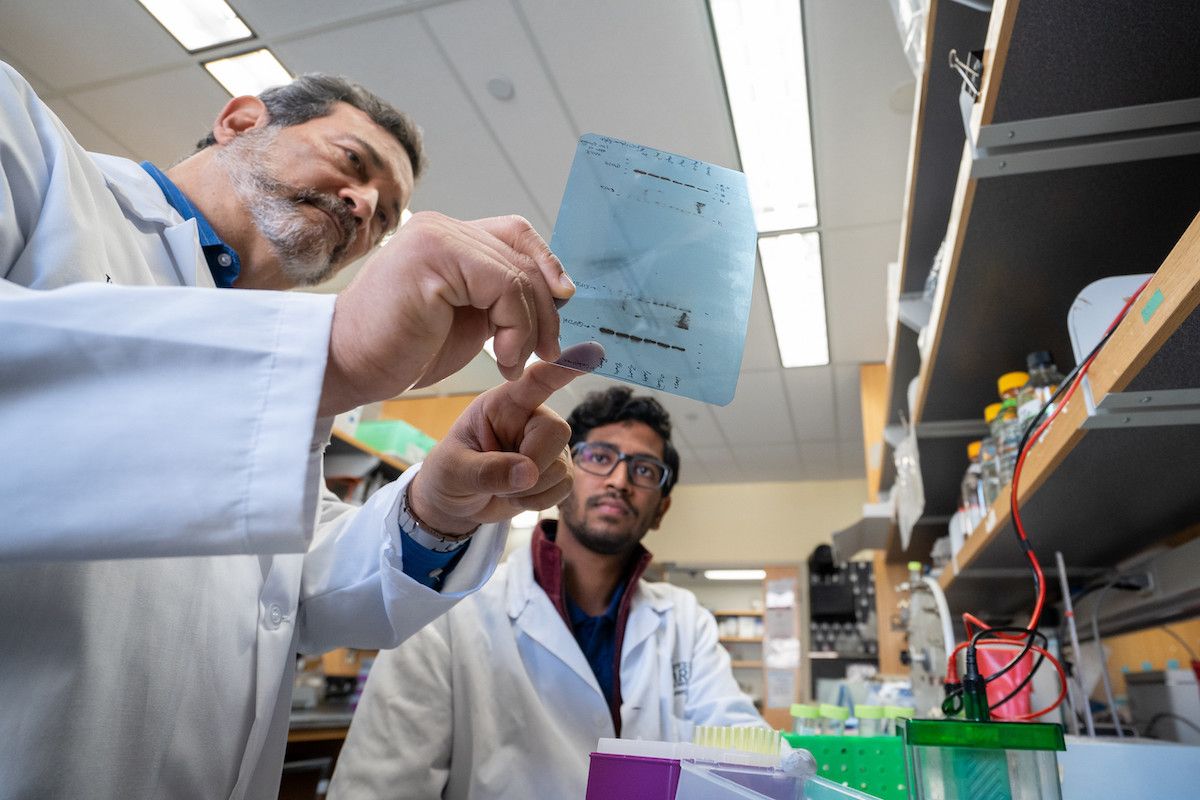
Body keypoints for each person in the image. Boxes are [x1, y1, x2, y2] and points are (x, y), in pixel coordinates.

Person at [0, 61, 590, 799]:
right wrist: (332, 356)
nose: (365, 206)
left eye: (385, 216)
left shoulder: (288, 387)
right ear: (241, 120)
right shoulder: (26, 145)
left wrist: (435, 511)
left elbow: (295, 593)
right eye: (353, 162)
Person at [328, 386, 769, 800]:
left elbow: (742, 747)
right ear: (561, 480)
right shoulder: (449, 605)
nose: (619, 480)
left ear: (661, 509)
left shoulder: (685, 621)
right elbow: (379, 786)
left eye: (644, 469)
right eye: (599, 457)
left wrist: (780, 766)